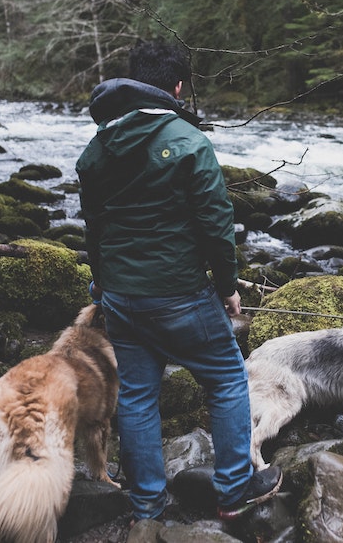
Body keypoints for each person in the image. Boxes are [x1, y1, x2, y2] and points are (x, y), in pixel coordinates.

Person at [76, 40, 282, 523]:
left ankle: (146, 502)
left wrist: (102, 287)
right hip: (181, 296)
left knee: (139, 394)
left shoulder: (95, 150)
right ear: (177, 87)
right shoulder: (190, 142)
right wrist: (228, 287)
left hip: (122, 298)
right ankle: (233, 492)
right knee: (228, 380)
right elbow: (216, 224)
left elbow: (95, 229)